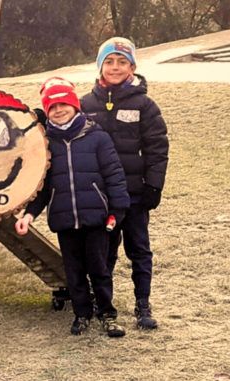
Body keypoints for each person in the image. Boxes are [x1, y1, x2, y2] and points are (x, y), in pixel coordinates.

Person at [16, 77, 129, 337]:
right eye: (52, 107)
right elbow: (41, 186)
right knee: (74, 271)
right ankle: (82, 313)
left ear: (75, 105)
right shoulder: (45, 144)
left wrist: (117, 211)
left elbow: (114, 175)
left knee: (99, 269)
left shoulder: (97, 137)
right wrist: (29, 214)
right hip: (64, 219)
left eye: (63, 104)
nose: (58, 110)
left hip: (97, 218)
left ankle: (107, 314)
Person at [80, 37, 169, 330]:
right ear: (100, 66)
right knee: (104, 252)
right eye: (109, 61)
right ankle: (103, 304)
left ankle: (143, 304)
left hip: (134, 196)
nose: (115, 67)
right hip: (101, 197)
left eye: (122, 61)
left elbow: (157, 147)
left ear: (132, 66)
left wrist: (153, 186)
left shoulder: (144, 104)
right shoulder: (85, 104)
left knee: (139, 250)